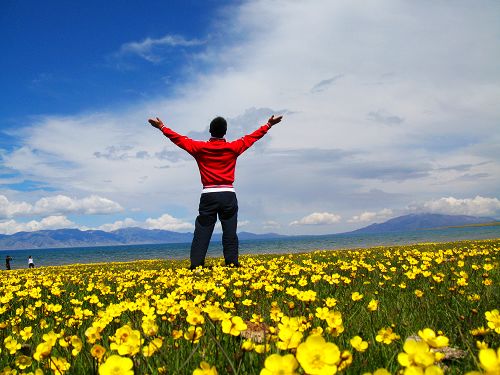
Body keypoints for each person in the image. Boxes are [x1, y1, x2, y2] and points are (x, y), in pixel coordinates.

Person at [148, 114, 283, 269]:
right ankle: (232, 264)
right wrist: (268, 125)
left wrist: (162, 127)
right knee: (230, 231)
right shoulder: (233, 147)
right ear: (225, 132)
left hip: (208, 195)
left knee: (202, 232)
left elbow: (179, 139)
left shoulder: (199, 148)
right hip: (228, 195)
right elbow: (251, 138)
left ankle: (196, 266)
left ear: (210, 131)